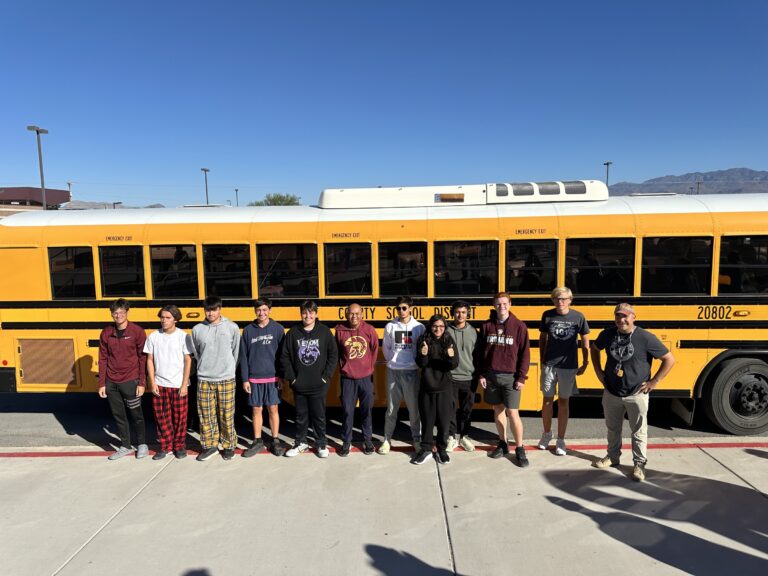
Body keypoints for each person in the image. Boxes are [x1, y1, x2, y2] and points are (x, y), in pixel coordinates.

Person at [591, 303, 675, 481]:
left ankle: (639, 464)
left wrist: (654, 381)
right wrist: (598, 372)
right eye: (618, 316)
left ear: (633, 317)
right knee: (613, 428)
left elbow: (669, 359)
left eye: (625, 316)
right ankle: (613, 457)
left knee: (638, 431)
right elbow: (594, 348)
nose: (621, 320)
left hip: (636, 393)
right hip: (612, 391)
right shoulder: (607, 334)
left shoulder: (645, 338)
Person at [479, 292, 530, 467]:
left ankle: (520, 448)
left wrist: (521, 377)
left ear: (510, 304)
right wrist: (482, 374)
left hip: (511, 377)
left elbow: (525, 354)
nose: (502, 307)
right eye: (498, 304)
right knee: (498, 410)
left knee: (513, 412)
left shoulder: (519, 326)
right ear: (494, 305)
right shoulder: (486, 326)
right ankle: (503, 443)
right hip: (491, 375)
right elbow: (481, 353)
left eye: (505, 303)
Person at [281, 300, 338, 458]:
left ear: (316, 313)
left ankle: (321, 444)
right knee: (300, 416)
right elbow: (284, 357)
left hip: (318, 384)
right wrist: (292, 379)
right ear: (301, 314)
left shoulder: (324, 332)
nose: (308, 315)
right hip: (299, 384)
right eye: (305, 312)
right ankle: (301, 443)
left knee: (319, 416)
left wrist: (326, 377)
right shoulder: (293, 333)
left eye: (311, 312)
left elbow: (333, 355)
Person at [537, 287, 590, 456]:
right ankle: (546, 434)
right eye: (557, 299)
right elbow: (543, 338)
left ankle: (561, 439)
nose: (560, 302)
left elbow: (585, 340)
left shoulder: (578, 317)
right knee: (547, 400)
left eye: (563, 299)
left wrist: (586, 362)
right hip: (550, 365)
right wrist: (542, 360)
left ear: (570, 300)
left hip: (568, 366)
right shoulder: (547, 315)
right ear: (553, 300)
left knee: (563, 402)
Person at [191, 296, 241, 461]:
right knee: (206, 415)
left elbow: (236, 352)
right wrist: (204, 367)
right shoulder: (197, 329)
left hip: (226, 377)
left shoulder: (232, 327)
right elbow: (197, 353)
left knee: (227, 414)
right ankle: (210, 445)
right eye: (207, 310)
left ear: (220, 309)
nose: (210, 313)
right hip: (204, 378)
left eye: (213, 309)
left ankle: (228, 445)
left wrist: (229, 369)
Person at [98, 299, 148, 460]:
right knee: (118, 415)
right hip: (111, 382)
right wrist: (102, 384)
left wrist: (142, 382)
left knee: (136, 414)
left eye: (121, 312)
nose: (118, 315)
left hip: (130, 381)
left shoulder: (137, 331)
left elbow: (143, 359)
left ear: (127, 313)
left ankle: (142, 444)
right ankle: (125, 446)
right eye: (115, 313)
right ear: (111, 314)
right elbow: (103, 359)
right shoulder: (106, 332)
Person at [145, 305, 193, 460]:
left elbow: (188, 360)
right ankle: (165, 446)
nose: (164, 320)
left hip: (178, 384)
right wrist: (152, 383)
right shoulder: (153, 336)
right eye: (162, 317)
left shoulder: (183, 336)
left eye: (167, 317)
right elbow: (150, 360)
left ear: (176, 319)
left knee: (180, 418)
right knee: (161, 418)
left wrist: (184, 384)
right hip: (160, 384)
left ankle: (179, 446)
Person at [240, 298, 286, 458]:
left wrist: (281, 376)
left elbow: (283, 356)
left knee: (273, 408)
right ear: (255, 311)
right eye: (259, 310)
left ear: (270, 310)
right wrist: (245, 379)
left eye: (265, 310)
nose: (262, 313)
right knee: (256, 409)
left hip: (273, 377)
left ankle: (275, 440)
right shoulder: (248, 331)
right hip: (254, 379)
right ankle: (258, 440)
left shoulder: (278, 329)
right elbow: (243, 357)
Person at [379, 296, 425, 454]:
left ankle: (416, 439)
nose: (401, 311)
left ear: (411, 308)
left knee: (414, 409)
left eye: (404, 308)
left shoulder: (419, 327)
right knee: (391, 409)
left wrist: (413, 363)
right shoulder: (390, 326)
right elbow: (386, 348)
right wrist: (393, 361)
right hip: (394, 371)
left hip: (412, 372)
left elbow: (422, 350)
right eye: (398, 308)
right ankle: (387, 439)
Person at [413, 315, 459, 465]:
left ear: (444, 327)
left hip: (444, 387)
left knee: (444, 422)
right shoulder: (424, 339)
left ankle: (441, 449)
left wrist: (451, 357)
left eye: (441, 326)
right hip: (427, 386)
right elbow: (421, 363)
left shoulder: (448, 340)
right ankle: (426, 449)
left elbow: (453, 364)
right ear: (430, 326)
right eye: (435, 326)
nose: (438, 329)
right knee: (427, 420)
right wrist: (424, 354)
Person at [335, 303, 379, 456]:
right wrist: (344, 367)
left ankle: (367, 440)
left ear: (362, 314)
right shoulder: (340, 330)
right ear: (346, 314)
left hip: (365, 378)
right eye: (351, 313)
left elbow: (374, 349)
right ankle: (347, 441)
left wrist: (368, 367)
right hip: (348, 379)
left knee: (366, 411)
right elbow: (338, 352)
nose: (354, 316)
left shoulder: (369, 330)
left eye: (357, 313)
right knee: (348, 411)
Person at [445, 300, 480, 452]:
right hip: (450, 377)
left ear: (468, 314)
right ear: (452, 313)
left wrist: (478, 375)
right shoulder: (445, 330)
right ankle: (451, 437)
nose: (460, 315)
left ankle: (465, 437)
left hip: (469, 377)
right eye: (457, 312)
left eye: (464, 312)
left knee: (467, 410)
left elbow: (478, 356)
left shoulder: (474, 332)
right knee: (450, 410)